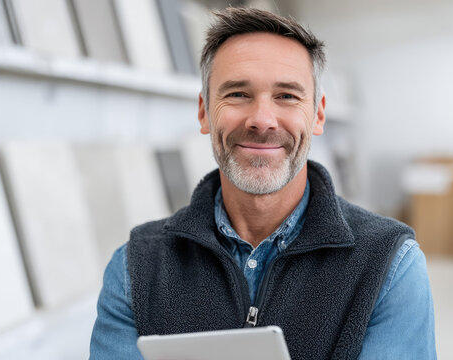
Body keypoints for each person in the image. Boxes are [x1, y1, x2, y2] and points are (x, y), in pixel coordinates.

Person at [90, 7, 435, 360]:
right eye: (238, 94)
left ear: (317, 114)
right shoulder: (136, 268)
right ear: (204, 112)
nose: (262, 120)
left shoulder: (391, 265)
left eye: (287, 96)